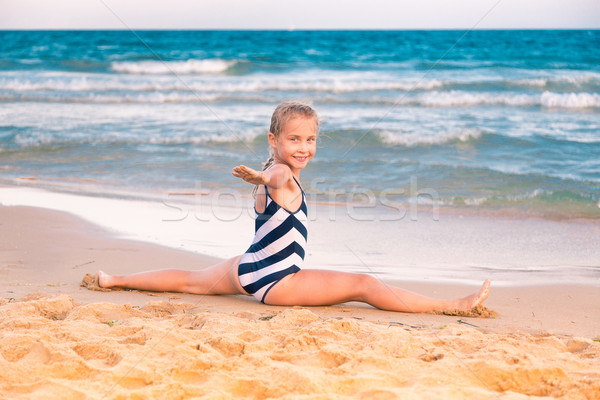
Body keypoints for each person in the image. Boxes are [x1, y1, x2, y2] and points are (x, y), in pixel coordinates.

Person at [96, 101, 490, 313]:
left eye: (310, 139)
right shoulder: (279, 172)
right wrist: (260, 178)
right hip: (277, 281)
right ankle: (449, 305)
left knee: (190, 280)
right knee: (364, 286)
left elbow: (274, 182)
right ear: (274, 140)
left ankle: (114, 280)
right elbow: (278, 180)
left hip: (247, 267)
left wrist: (262, 176)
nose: (303, 147)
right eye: (294, 139)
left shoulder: (274, 166)